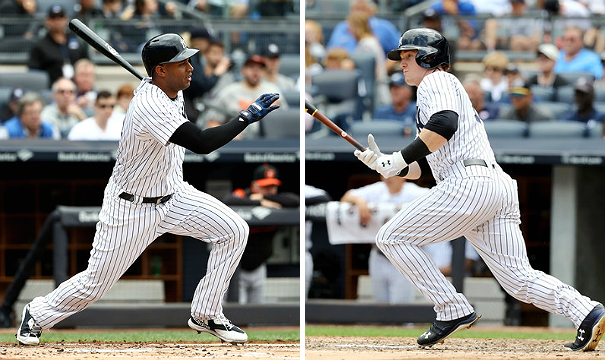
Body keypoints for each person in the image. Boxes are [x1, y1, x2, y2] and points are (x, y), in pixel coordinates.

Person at [16, 33, 280, 346]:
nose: (190, 67)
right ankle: (38, 313)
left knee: (234, 229)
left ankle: (206, 313)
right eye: (181, 63)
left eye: (188, 60)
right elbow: (203, 143)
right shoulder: (149, 106)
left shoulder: (170, 87)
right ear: (161, 71)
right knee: (95, 284)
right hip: (132, 206)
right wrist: (245, 117)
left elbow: (182, 109)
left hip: (174, 195)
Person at [354, 27, 605, 350]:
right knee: (518, 279)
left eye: (408, 56)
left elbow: (444, 125)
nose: (401, 63)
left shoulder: (436, 80)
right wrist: (387, 163)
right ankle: (586, 310)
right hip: (491, 185)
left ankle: (451, 308)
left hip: (469, 184)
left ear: (429, 58)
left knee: (391, 236)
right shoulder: (439, 91)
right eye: (400, 57)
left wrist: (399, 157)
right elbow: (424, 165)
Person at [222, 164, 299, 304]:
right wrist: (258, 201)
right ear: (254, 185)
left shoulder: (276, 199)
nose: (270, 190)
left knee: (257, 313)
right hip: (235, 267)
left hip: (259, 266)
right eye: (265, 186)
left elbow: (294, 200)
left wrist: (266, 199)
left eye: (273, 186)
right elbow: (227, 201)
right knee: (235, 312)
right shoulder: (243, 194)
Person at [202, 54, 285, 139]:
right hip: (237, 145)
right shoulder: (229, 92)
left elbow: (286, 121)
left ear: (263, 72)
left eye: (260, 68)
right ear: (243, 70)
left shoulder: (273, 92)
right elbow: (212, 123)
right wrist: (228, 136)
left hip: (269, 144)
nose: (255, 71)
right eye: (251, 67)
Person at [28, 5, 89, 85]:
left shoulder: (77, 42)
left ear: (66, 20)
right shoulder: (39, 46)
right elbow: (34, 74)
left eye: (60, 17)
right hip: (51, 88)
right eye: (53, 18)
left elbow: (87, 64)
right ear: (47, 21)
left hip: (76, 87)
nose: (57, 21)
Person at [326, 0, 400, 58]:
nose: (359, 13)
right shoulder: (342, 27)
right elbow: (330, 51)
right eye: (356, 9)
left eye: (362, 9)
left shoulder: (384, 27)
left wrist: (384, 69)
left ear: (371, 10)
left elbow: (400, 51)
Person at [347, 11, 389, 106]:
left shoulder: (367, 44)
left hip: (375, 90)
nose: (349, 30)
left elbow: (372, 71)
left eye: (350, 26)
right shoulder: (367, 41)